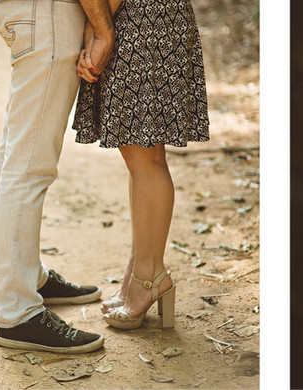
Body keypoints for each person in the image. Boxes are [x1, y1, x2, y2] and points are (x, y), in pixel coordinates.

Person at [72, 0, 210, 329]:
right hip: (152, 17)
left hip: (139, 20)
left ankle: (149, 277)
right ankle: (140, 273)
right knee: (145, 157)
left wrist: (98, 28)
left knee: (145, 159)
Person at [0, 0, 116, 354]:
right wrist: (103, 30)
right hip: (47, 14)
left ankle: (28, 277)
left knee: (16, 154)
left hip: (32, 13)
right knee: (28, 165)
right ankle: (18, 313)